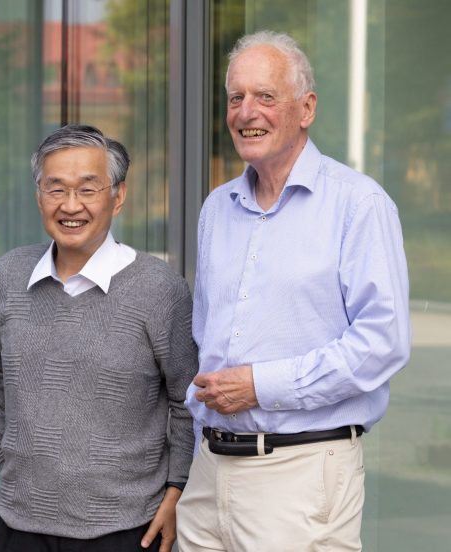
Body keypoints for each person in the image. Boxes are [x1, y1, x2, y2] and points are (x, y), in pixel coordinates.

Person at [175, 31, 411, 551]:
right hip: (210, 472)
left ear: (306, 109)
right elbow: (206, 338)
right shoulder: (217, 208)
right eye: (235, 97)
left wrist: (263, 386)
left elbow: (382, 344)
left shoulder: (359, 205)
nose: (245, 111)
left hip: (300, 478)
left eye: (265, 96)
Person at [0, 124, 198, 552]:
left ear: (118, 196)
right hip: (21, 523)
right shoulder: (9, 275)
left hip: (127, 529)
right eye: (55, 189)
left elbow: (188, 398)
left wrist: (177, 488)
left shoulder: (158, 288)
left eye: (88, 189)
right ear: (38, 196)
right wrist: (9, 456)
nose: (71, 205)